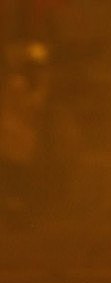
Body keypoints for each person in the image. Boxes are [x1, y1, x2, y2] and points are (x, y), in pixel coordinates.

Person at [0, 40, 49, 228]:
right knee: (15, 180)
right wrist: (42, 89)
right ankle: (14, 219)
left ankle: (15, 217)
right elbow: (32, 107)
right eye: (35, 67)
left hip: (19, 139)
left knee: (18, 180)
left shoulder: (21, 84)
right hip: (13, 138)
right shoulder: (18, 84)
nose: (38, 71)